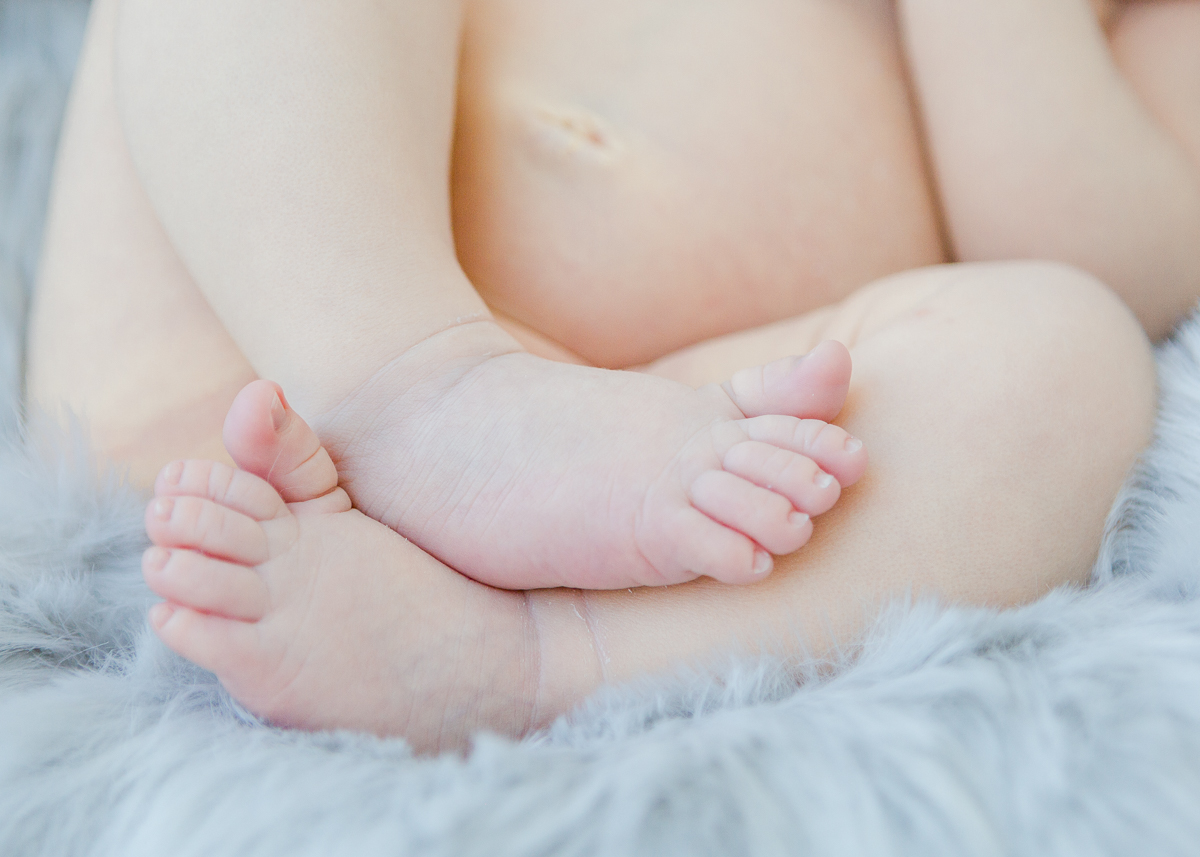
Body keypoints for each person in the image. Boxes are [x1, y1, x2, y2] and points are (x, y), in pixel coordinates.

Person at [25, 0, 1198, 751]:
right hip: (255, 296)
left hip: (654, 447)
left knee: (1071, 357)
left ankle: (526, 655)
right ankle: (405, 373)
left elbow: (1110, 244)